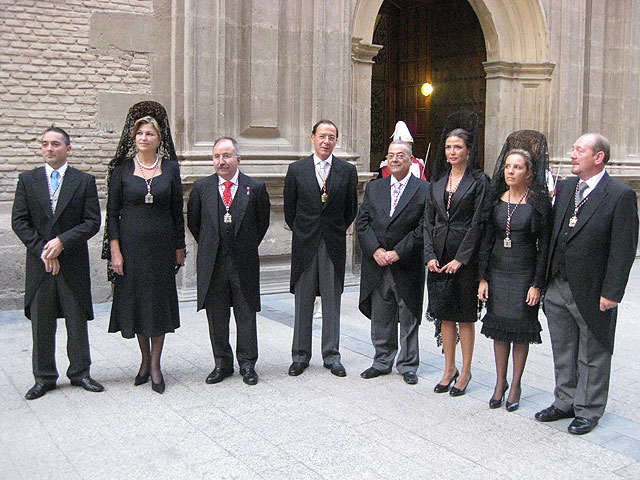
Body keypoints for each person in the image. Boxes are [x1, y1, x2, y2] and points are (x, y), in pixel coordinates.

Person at [535, 133, 638, 434]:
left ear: (599, 157)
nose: (572, 155)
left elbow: (624, 248)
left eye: (579, 150)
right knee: (564, 349)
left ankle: (588, 409)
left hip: (594, 291)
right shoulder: (567, 188)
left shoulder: (619, 195)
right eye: (573, 149)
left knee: (593, 352)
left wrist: (612, 292)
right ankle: (565, 400)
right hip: (558, 286)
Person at [12, 126, 103, 399]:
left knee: (76, 319)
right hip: (40, 266)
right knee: (42, 322)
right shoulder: (28, 180)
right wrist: (44, 251)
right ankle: (44, 377)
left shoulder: (83, 181)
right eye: (45, 144)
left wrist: (62, 242)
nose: (49, 148)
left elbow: (92, 222)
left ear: (68, 149)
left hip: (72, 263)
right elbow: (19, 221)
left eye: (55, 144)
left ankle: (80, 373)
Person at [103, 102, 185, 394]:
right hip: (131, 248)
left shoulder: (171, 169)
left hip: (162, 249)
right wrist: (115, 251)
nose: (144, 138)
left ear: (159, 139)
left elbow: (178, 211)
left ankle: (156, 365)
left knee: (158, 303)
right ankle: (144, 359)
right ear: (133, 137)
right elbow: (112, 213)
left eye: (150, 134)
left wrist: (180, 247)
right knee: (138, 303)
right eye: (140, 133)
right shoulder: (122, 170)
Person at [477, 131, 552, 412]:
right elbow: (486, 240)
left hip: (524, 273)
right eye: (508, 166)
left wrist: (537, 284)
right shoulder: (496, 200)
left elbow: (544, 248)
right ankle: (500, 382)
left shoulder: (538, 203)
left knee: (520, 331)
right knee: (498, 329)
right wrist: (482, 278)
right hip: (497, 271)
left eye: (517, 167)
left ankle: (516, 382)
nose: (510, 171)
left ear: (529, 172)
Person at [187, 137, 270, 386]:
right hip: (213, 264)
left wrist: (244, 245)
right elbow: (195, 224)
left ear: (238, 159)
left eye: (226, 156)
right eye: (216, 157)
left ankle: (247, 364)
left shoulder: (254, 188)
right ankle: (222, 363)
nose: (221, 161)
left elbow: (261, 224)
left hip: (243, 262)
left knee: (246, 314)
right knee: (217, 315)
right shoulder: (201, 188)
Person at [283, 119, 358, 377]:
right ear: (312, 137)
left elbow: (351, 210)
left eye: (332, 137)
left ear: (336, 141)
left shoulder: (347, 171)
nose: (327, 141)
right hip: (305, 244)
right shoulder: (297, 170)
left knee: (331, 300)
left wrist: (332, 230)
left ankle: (331, 355)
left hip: (333, 244)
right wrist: (306, 230)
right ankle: (300, 355)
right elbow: (289, 211)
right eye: (322, 136)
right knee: (303, 301)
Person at [423, 110, 489, 396]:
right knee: (444, 316)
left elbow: (478, 224)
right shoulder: (437, 182)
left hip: (465, 259)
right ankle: (448, 368)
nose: (452, 151)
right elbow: (428, 221)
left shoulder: (479, 182)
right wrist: (429, 255)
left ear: (468, 151)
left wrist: (460, 259)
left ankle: (465, 370)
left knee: (464, 316)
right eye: (448, 147)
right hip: (438, 258)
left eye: (457, 147)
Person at [357, 140, 430, 385]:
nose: (395, 159)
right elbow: (363, 222)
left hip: (406, 263)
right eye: (391, 155)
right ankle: (381, 360)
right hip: (377, 263)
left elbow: (424, 227)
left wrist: (398, 252)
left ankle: (408, 364)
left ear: (411, 160)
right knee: (381, 314)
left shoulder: (423, 189)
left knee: (408, 314)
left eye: (401, 155)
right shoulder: (374, 187)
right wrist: (375, 250)